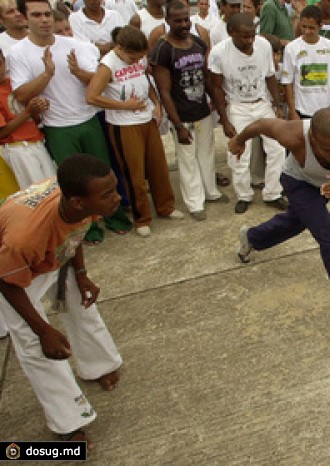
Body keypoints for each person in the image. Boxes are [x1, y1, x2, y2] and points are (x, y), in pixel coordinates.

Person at [0, 154, 125, 449]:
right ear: (78, 202)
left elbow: (74, 232)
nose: (117, 198)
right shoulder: (25, 237)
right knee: (35, 343)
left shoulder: (78, 199)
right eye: (108, 194)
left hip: (47, 256)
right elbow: (6, 280)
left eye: (114, 189)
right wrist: (43, 330)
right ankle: (69, 423)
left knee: (79, 300)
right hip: (9, 275)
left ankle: (98, 365)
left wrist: (81, 275)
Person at [229, 108, 330, 342]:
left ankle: (252, 238)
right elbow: (260, 124)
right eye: (327, 150)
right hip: (298, 182)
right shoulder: (292, 134)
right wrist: (239, 141)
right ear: (312, 138)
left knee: (296, 223)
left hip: (326, 186)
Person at [9, 0, 133, 244]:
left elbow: (100, 79)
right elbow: (22, 95)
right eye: (37, 15)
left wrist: (79, 73)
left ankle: (115, 218)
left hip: (88, 119)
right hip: (57, 127)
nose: (44, 19)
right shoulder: (18, 53)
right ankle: (88, 229)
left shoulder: (76, 45)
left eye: (47, 14)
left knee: (104, 174)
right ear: (25, 18)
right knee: (76, 186)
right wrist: (46, 75)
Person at [86, 26, 184, 238]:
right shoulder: (107, 65)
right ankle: (142, 218)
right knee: (135, 174)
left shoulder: (139, 57)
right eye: (131, 57)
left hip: (147, 119)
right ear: (119, 48)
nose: (135, 61)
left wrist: (156, 103)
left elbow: (145, 81)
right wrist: (125, 106)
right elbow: (92, 96)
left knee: (158, 167)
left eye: (139, 57)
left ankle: (166, 207)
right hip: (124, 125)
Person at [150, 1, 226, 221]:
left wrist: (220, 110)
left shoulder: (198, 44)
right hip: (181, 115)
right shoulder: (162, 50)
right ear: (168, 21)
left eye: (186, 20)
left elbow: (209, 81)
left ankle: (211, 192)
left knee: (207, 153)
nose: (184, 24)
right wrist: (177, 124)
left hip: (201, 110)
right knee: (187, 160)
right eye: (178, 21)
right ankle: (195, 203)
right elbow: (164, 91)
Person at [209, 13, 287, 214]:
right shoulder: (219, 53)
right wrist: (224, 120)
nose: (251, 40)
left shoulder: (263, 45)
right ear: (231, 33)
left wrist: (277, 105)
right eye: (245, 36)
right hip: (237, 106)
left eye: (253, 34)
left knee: (277, 148)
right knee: (239, 153)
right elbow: (216, 88)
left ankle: (273, 193)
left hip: (262, 103)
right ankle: (244, 195)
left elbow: (270, 76)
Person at [0, 50, 53, 189]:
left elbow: (34, 118)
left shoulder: (14, 83)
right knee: (38, 193)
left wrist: (37, 108)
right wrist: (28, 112)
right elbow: (2, 132)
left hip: (37, 142)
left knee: (54, 190)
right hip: (16, 148)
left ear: (4, 62)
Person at [282, 5, 330, 120]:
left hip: (325, 109)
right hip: (301, 110)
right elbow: (287, 82)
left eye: (311, 28)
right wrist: (293, 112)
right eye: (304, 27)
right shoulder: (291, 48)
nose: (307, 31)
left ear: (320, 26)